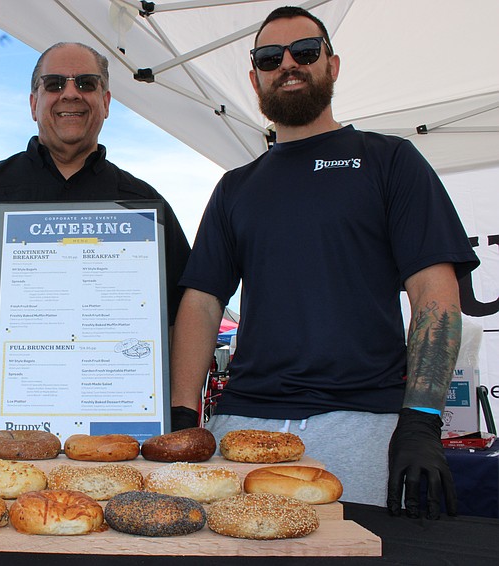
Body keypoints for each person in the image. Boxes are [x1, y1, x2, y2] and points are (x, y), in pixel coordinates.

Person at [169, 6, 480, 518]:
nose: (287, 63)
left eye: (305, 51)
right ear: (255, 77)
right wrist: (184, 415)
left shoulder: (391, 160)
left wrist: (421, 420)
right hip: (244, 423)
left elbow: (434, 294)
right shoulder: (235, 187)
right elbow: (202, 303)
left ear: (332, 65)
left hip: (362, 423)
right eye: (270, 57)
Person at [0, 41, 191, 445]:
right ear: (34, 103)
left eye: (86, 83)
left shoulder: (142, 205)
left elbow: (185, 313)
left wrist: (181, 402)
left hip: (117, 444)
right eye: (54, 84)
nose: (70, 93)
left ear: (105, 101)